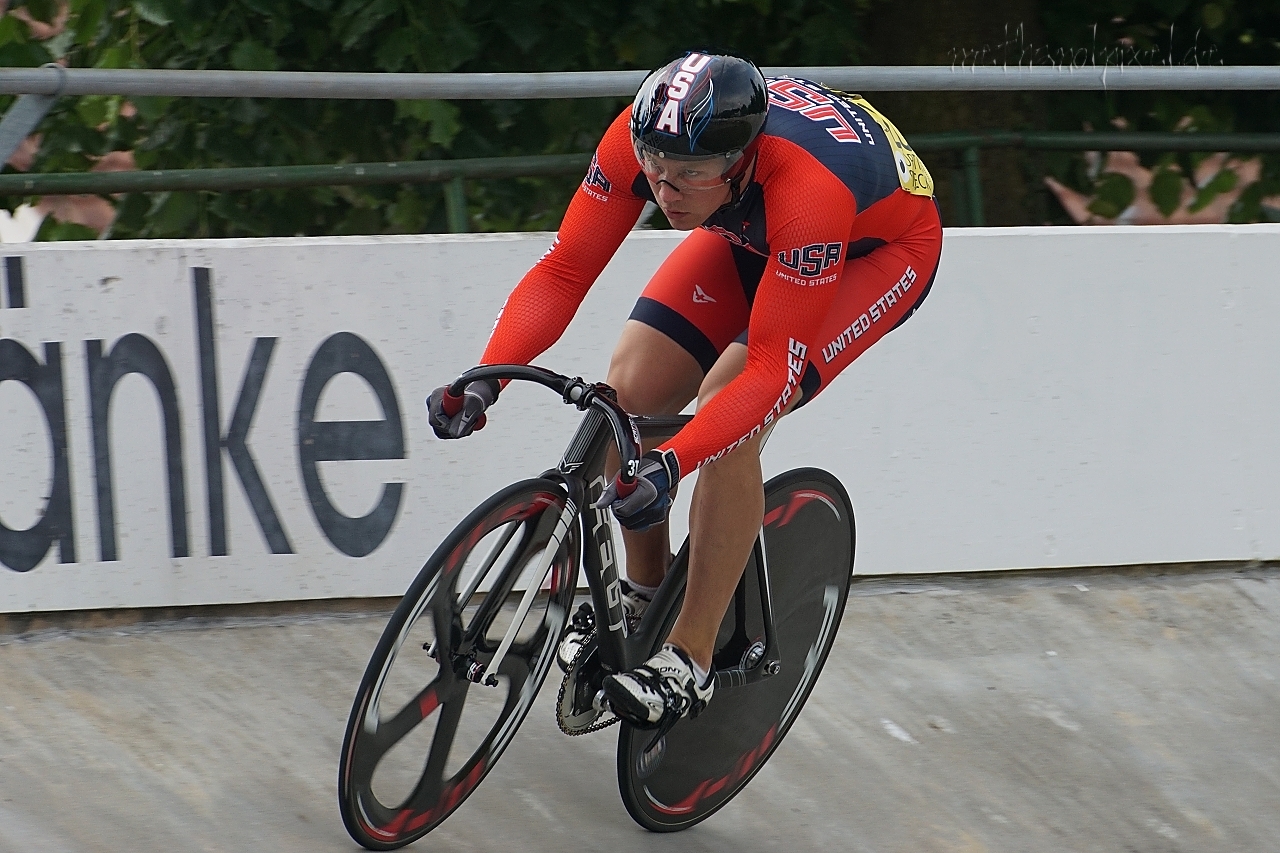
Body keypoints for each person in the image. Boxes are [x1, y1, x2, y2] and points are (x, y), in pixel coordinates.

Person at [428, 51, 942, 729]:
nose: (666, 193)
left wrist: (673, 463)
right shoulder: (648, 141)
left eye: (690, 176)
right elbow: (564, 271)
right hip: (748, 230)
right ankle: (643, 595)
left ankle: (690, 660)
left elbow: (768, 373)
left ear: (742, 158)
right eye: (655, 171)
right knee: (627, 393)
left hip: (875, 252)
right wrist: (486, 379)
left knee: (732, 413)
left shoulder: (804, 189)